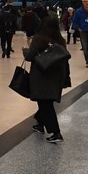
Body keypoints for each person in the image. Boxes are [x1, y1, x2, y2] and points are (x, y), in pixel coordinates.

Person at [23, 16, 71, 144]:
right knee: (47, 100)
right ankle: (39, 124)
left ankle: (56, 132)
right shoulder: (60, 40)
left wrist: (26, 51)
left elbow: (29, 57)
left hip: (41, 75)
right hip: (57, 74)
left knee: (45, 103)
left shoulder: (39, 38)